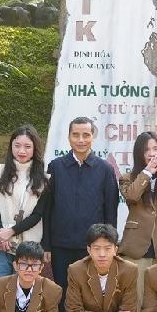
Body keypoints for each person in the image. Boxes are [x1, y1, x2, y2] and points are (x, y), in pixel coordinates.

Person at [42, 116, 119, 289]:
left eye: (86, 135)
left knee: (90, 291)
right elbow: (47, 209)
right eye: (76, 135)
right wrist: (46, 244)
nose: (81, 140)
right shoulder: (56, 167)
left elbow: (111, 210)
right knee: (62, 290)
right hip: (60, 244)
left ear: (93, 137)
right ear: (69, 137)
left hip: (93, 245)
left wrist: (108, 244)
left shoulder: (105, 169)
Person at [0, 125, 48, 279]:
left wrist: (11, 231)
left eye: (27, 146)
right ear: (11, 146)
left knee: (23, 293)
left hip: (29, 247)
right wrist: (1, 235)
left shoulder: (45, 179)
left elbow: (38, 214)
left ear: (35, 149)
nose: (22, 151)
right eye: (17, 145)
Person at [120, 131, 157, 265]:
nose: (151, 153)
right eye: (146, 150)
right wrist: (146, 172)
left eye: (155, 149)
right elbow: (132, 196)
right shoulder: (127, 179)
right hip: (136, 249)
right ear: (139, 153)